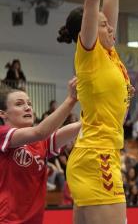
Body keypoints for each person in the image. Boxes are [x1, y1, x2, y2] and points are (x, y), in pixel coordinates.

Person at [56, 0, 131, 224]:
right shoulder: (89, 55)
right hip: (97, 155)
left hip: (98, 154)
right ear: (85, 33)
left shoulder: (109, 51)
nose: (109, 25)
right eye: (102, 24)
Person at [0, 78, 80, 223]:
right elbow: (41, 131)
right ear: (3, 114)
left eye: (29, 103)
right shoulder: (3, 135)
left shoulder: (40, 143)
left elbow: (79, 127)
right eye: (19, 104)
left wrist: (115, 106)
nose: (27, 107)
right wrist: (71, 100)